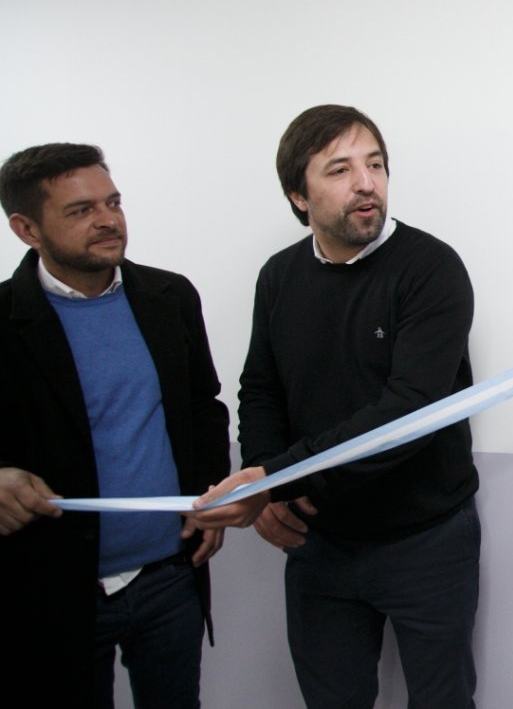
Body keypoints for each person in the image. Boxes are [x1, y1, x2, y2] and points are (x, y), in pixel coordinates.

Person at [193, 106, 480, 709]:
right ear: (299, 197)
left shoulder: (431, 269)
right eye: (340, 170)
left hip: (426, 541)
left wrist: (277, 478)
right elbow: (261, 388)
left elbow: (409, 412)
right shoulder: (279, 277)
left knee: (442, 700)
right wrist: (270, 484)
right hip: (319, 544)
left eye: (375, 165)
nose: (366, 183)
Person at [0, 143, 229, 707]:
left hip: (169, 576)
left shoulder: (170, 297)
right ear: (27, 229)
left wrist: (210, 496)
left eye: (113, 202)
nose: (108, 220)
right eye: (81, 210)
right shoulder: (5, 319)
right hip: (52, 586)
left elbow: (204, 406)